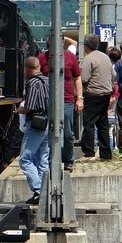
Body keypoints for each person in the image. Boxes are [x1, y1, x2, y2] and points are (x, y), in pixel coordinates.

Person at [38, 35, 82, 172]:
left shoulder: (70, 57)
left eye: (58, 38)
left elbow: (77, 78)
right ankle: (50, 160)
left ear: (62, 41)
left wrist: (79, 97)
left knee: (68, 133)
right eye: (52, 38)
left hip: (67, 99)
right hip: (47, 100)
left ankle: (68, 159)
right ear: (48, 41)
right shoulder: (42, 57)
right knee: (48, 132)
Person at [16, 56, 49, 205]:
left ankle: (38, 190)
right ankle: (45, 191)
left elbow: (30, 106)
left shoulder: (33, 83)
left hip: (36, 124)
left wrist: (20, 110)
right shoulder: (48, 81)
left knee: (25, 159)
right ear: (39, 67)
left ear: (27, 69)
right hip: (48, 124)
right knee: (42, 160)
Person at [80, 34, 115, 161]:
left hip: (93, 94)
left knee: (89, 123)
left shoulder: (88, 59)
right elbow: (113, 74)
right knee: (103, 123)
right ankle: (106, 153)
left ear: (86, 46)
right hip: (106, 94)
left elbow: (84, 78)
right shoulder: (105, 57)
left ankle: (88, 152)